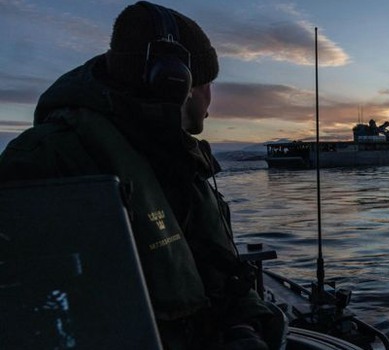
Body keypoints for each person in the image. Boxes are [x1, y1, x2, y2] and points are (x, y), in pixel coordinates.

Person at [0, 2, 276, 349]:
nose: (211, 98)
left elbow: (218, 272)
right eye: (207, 82)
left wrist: (245, 327)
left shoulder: (176, 161)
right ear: (176, 82)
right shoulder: (49, 159)